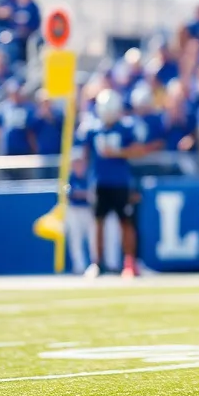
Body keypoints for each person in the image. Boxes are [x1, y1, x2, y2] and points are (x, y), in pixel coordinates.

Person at [83, 89, 144, 278]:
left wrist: (116, 152)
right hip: (100, 181)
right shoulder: (93, 129)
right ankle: (97, 263)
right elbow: (85, 155)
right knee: (97, 223)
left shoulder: (125, 127)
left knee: (125, 223)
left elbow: (137, 151)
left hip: (120, 181)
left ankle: (129, 262)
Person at [64, 156, 95, 276]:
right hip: (74, 210)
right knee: (75, 239)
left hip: (88, 210)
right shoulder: (70, 178)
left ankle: (95, 265)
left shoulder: (90, 177)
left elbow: (93, 195)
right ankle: (79, 266)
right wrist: (84, 194)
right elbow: (70, 194)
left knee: (93, 239)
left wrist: (83, 194)